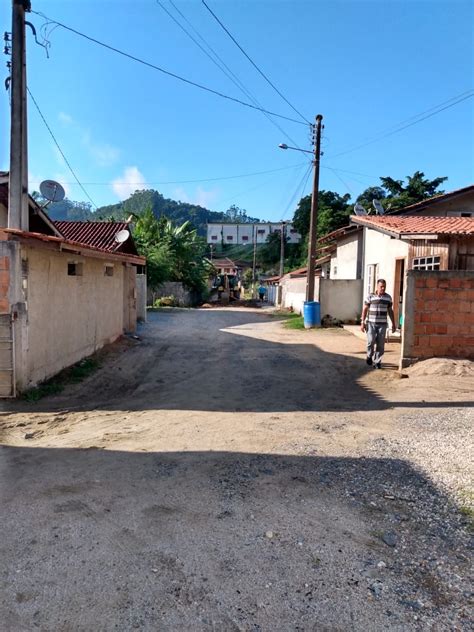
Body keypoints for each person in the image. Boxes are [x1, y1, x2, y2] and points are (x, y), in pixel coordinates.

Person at [360, 279, 397, 369]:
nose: (383, 288)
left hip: (382, 324)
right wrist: (362, 322)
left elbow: (390, 310)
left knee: (380, 345)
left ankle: (377, 362)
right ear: (377, 286)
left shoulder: (388, 298)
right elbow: (365, 309)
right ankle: (369, 356)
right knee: (370, 342)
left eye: (384, 287)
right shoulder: (370, 296)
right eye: (381, 287)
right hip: (371, 324)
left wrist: (393, 323)